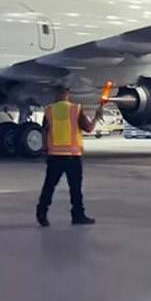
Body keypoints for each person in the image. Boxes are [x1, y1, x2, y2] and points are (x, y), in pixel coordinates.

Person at [35, 89, 101, 226]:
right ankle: (78, 215)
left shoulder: (49, 111)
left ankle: (41, 212)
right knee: (75, 189)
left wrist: (45, 149)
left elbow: (44, 131)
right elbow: (88, 128)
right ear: (67, 94)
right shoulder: (75, 109)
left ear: (56, 94)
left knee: (49, 187)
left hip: (54, 156)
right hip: (72, 156)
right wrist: (96, 117)